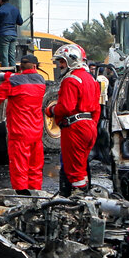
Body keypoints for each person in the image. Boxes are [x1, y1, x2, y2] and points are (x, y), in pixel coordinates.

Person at [0, 54, 47, 194]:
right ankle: (37, 195)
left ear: (20, 67)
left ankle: (21, 195)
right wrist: (6, 75)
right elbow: (24, 78)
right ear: (35, 66)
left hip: (19, 133)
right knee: (35, 167)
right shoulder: (41, 81)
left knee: (20, 167)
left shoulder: (13, 82)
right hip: (36, 133)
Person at [47, 43, 100, 195]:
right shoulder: (91, 79)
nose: (60, 65)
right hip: (89, 125)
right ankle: (84, 193)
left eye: (62, 61)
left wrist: (51, 110)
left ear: (72, 60)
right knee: (81, 165)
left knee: (73, 168)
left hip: (75, 127)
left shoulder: (71, 80)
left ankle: (78, 201)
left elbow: (66, 107)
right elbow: (97, 108)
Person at [0, 0, 23, 68]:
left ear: (0, 1)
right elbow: (20, 22)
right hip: (13, 35)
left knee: (4, 55)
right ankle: (13, 71)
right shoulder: (15, 9)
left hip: (4, 35)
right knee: (12, 55)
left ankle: (6, 72)